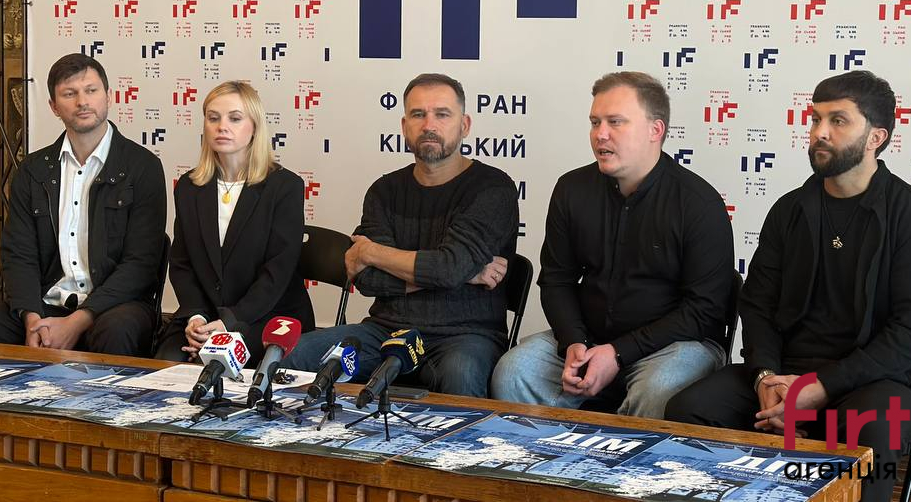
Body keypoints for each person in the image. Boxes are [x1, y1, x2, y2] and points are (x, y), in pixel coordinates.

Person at [665, 71, 911, 502]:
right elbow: (757, 305)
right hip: (784, 371)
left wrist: (820, 388)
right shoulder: (789, 211)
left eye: (838, 121)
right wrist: (766, 379)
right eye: (816, 119)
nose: (820, 132)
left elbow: (910, 335)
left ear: (876, 137)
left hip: (876, 380)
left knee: (873, 431)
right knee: (688, 411)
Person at [492, 71, 731, 419]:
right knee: (513, 372)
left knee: (659, 391)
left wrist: (618, 353)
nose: (600, 134)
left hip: (673, 346)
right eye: (595, 122)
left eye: (615, 122)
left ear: (655, 130)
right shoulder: (571, 189)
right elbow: (557, 280)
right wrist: (573, 341)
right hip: (589, 338)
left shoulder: (698, 203)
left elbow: (704, 310)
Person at [282, 73, 518, 397]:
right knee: (298, 354)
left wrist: (372, 253)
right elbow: (367, 280)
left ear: (465, 125)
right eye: (418, 114)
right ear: (405, 126)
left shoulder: (493, 189)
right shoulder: (384, 191)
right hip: (385, 331)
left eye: (442, 114)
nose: (429, 125)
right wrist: (466, 274)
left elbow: (448, 269)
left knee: (461, 374)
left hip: (464, 337)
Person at [0, 53, 166, 356]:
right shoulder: (33, 171)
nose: (82, 102)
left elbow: (141, 265)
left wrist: (77, 322)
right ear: (53, 106)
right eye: (69, 93)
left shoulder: (142, 167)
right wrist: (32, 320)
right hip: (46, 303)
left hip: (115, 306)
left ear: (109, 96)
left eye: (91, 90)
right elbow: (19, 255)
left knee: (116, 332)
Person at [156, 81, 314, 361]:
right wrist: (196, 317)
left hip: (265, 318)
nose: (222, 127)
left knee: (216, 360)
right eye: (213, 118)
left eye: (235, 118)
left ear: (254, 127)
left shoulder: (285, 187)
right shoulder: (189, 187)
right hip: (204, 316)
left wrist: (229, 322)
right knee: (167, 363)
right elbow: (181, 264)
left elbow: (277, 273)